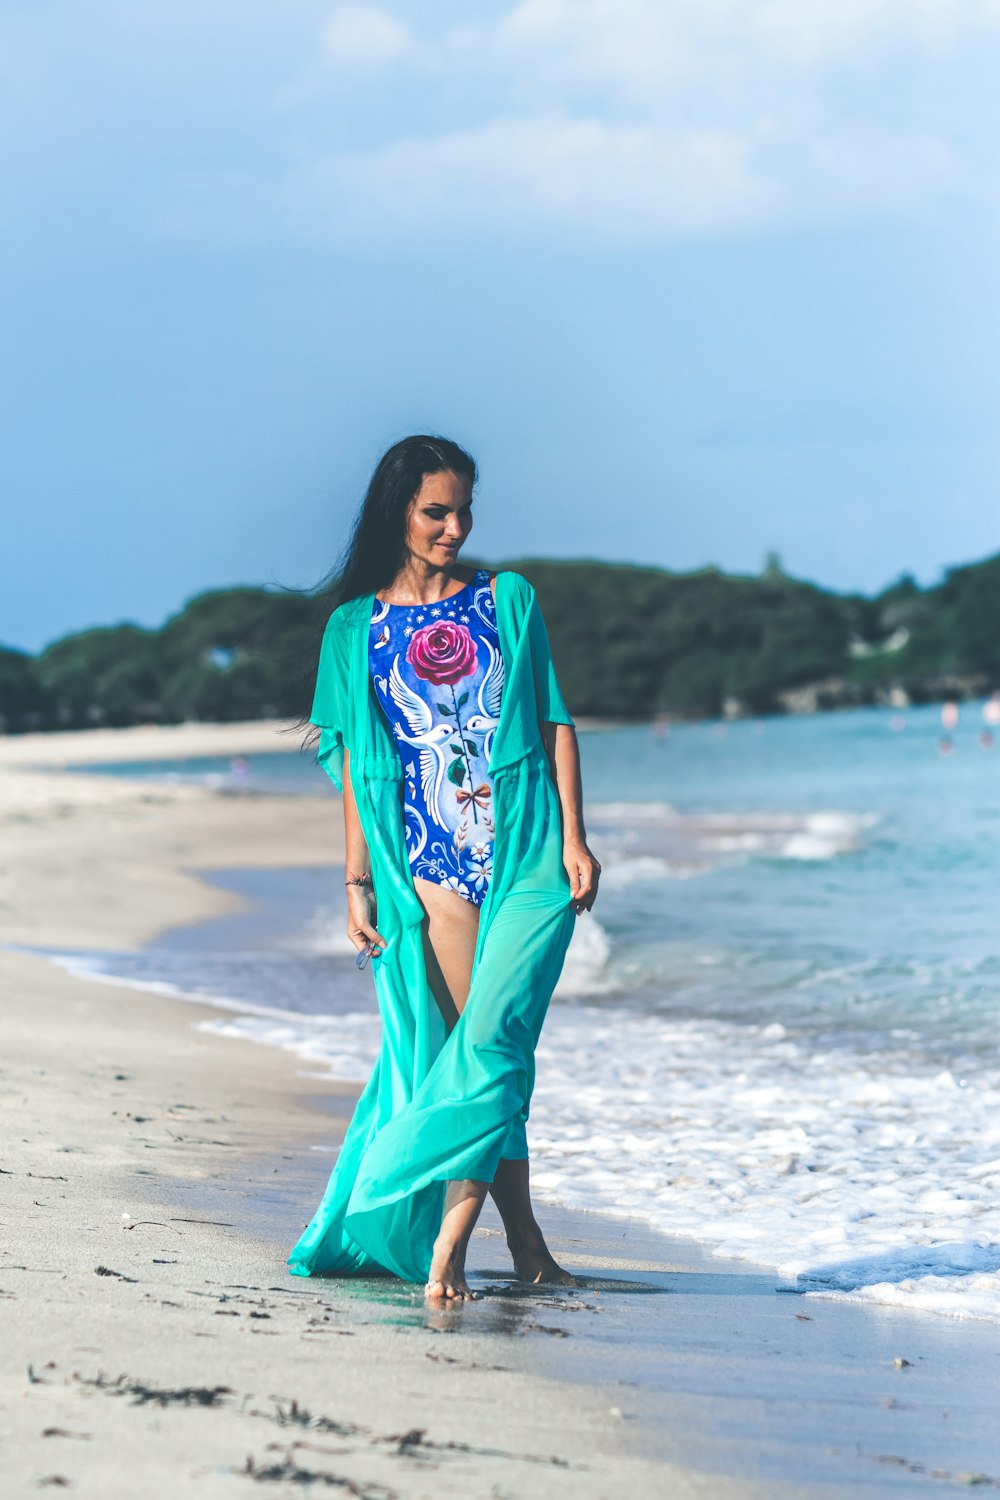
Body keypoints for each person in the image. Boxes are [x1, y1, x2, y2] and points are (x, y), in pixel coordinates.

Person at [288, 435, 601, 1302]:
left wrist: (575, 837)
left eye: (464, 509)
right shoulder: (355, 631)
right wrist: (356, 881)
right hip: (427, 868)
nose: (456, 527)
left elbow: (554, 720)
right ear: (400, 510)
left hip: (529, 854)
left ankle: (451, 1253)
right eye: (437, 510)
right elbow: (353, 764)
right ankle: (530, 1250)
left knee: (494, 1044)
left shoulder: (508, 601)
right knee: (481, 1058)